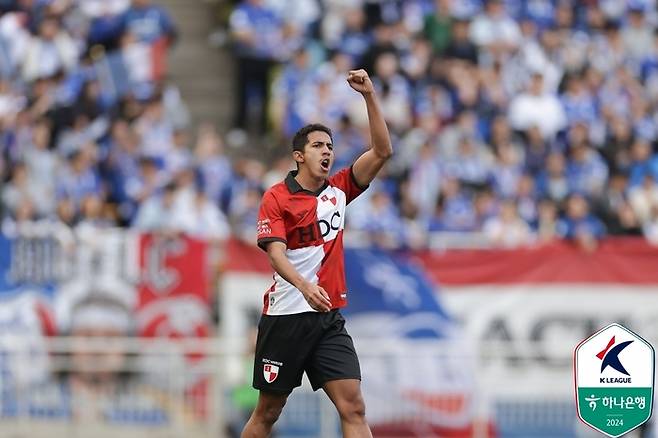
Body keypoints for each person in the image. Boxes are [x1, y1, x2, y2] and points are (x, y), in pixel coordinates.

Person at [241, 69, 392, 438]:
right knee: (268, 412)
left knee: (353, 405)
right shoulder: (276, 196)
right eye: (317, 146)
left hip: (327, 318)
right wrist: (305, 286)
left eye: (330, 146)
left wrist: (369, 96)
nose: (327, 151)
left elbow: (383, 151)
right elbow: (275, 255)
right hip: (287, 315)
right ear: (298, 156)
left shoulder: (339, 189)